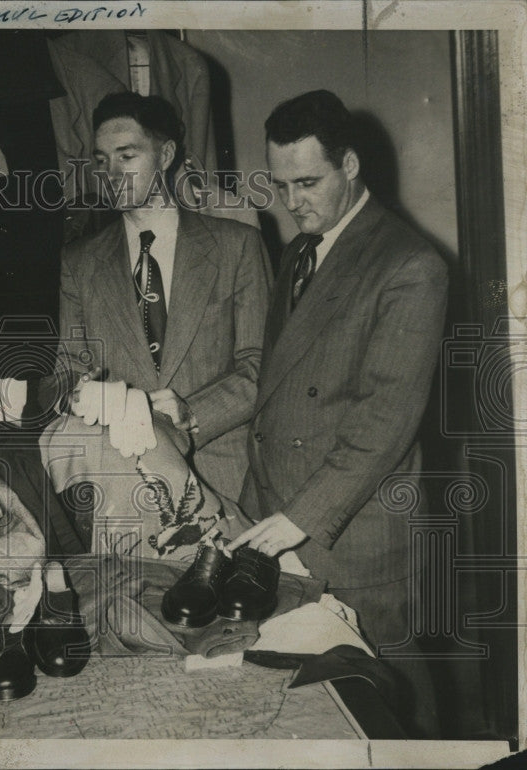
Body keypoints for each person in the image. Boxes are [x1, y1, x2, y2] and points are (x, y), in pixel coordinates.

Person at [231, 89, 448, 737]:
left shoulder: (410, 265)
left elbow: (384, 422)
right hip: (284, 513)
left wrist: (298, 517)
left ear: (350, 165)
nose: (292, 201)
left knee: (396, 694)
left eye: (308, 182)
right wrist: (256, 503)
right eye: (280, 184)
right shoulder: (300, 251)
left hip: (357, 532)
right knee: (320, 701)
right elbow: (274, 390)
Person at [41, 91, 272, 506]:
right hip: (126, 485)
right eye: (100, 160)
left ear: (165, 155)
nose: (111, 172)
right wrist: (75, 396)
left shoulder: (237, 246)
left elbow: (264, 368)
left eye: (126, 156)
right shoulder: (79, 262)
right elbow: (65, 371)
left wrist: (191, 413)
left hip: (230, 479)